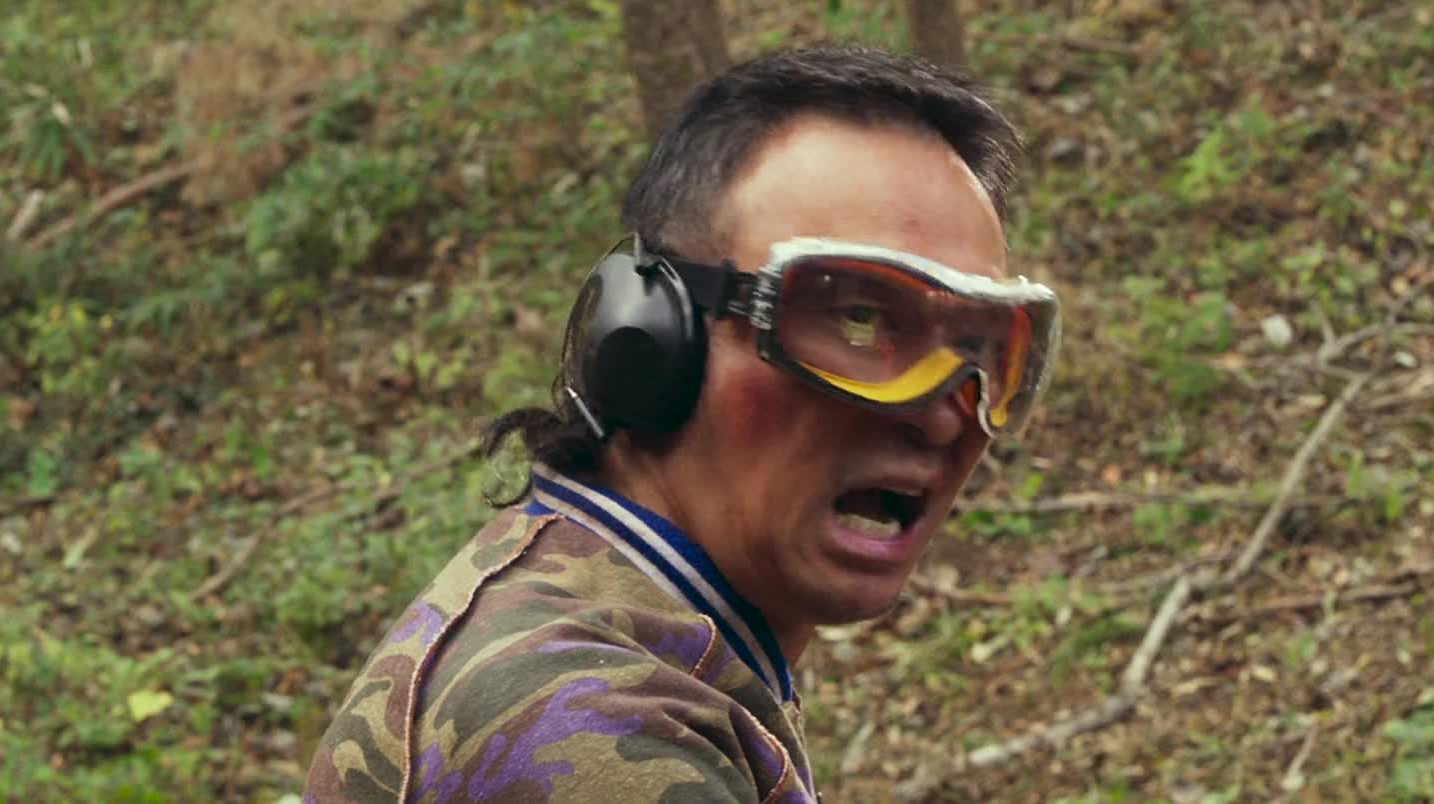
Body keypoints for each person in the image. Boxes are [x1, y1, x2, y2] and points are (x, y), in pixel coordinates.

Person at [304, 43, 1059, 803]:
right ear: (652, 339)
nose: (943, 417)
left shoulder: (638, 626)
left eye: (984, 348)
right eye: (857, 319)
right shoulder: (579, 725)